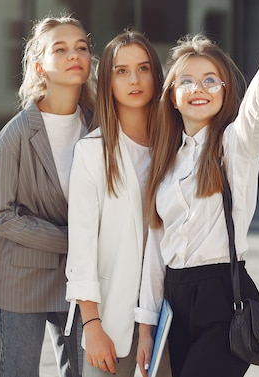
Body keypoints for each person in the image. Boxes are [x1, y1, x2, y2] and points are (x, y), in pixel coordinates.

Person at [134, 0, 259, 377]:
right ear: (172, 95)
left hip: (224, 298)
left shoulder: (235, 146)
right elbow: (155, 251)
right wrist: (146, 324)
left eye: (210, 80)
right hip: (175, 299)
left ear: (225, 91)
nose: (199, 88)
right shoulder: (164, 161)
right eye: (187, 80)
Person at [0, 14, 97, 377]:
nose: (73, 54)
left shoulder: (99, 126)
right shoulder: (16, 134)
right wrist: (66, 240)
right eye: (59, 49)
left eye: (81, 47)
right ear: (40, 66)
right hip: (21, 279)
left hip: (81, 279)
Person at [65, 29, 170, 377]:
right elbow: (81, 250)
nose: (134, 79)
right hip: (110, 324)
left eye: (142, 68)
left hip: (171, 317)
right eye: (121, 71)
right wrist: (91, 325)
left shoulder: (176, 148)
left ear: (156, 75)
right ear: (107, 81)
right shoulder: (92, 152)